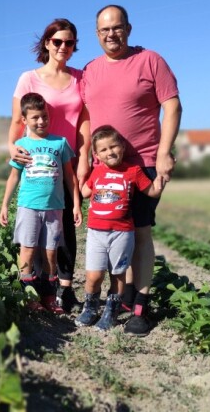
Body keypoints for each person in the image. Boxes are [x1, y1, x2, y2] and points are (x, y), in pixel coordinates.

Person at [80, 5, 182, 336]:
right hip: (103, 169)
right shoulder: (90, 70)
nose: (111, 34)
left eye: (117, 27)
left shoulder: (150, 60)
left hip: (143, 164)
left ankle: (139, 306)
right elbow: (85, 118)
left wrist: (164, 153)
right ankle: (117, 296)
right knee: (109, 233)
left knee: (139, 232)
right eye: (104, 29)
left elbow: (172, 106)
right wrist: (83, 160)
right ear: (97, 34)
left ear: (128, 28)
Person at [9, 18, 91, 313]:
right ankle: (35, 291)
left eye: (69, 42)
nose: (63, 47)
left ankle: (64, 291)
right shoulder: (28, 78)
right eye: (57, 41)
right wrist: (12, 147)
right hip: (38, 165)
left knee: (65, 229)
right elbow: (17, 121)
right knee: (34, 235)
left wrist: (84, 156)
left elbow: (84, 121)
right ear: (47, 43)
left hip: (66, 161)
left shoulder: (81, 78)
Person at [76, 125, 165, 330]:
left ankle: (111, 311)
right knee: (93, 276)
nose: (110, 152)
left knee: (118, 274)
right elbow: (85, 192)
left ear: (123, 147)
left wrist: (162, 177)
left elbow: (152, 191)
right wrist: (80, 173)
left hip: (122, 233)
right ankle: (90, 308)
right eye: (103, 149)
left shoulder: (133, 171)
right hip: (96, 233)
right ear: (96, 155)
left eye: (113, 146)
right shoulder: (96, 172)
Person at [0, 92, 83, 314]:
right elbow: (14, 177)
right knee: (27, 251)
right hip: (28, 206)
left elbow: (69, 176)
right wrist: (5, 205)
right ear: (24, 120)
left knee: (50, 254)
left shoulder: (60, 143)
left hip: (55, 208)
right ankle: (29, 297)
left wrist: (76, 204)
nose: (41, 121)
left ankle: (49, 297)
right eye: (35, 117)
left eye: (44, 116)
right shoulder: (21, 145)